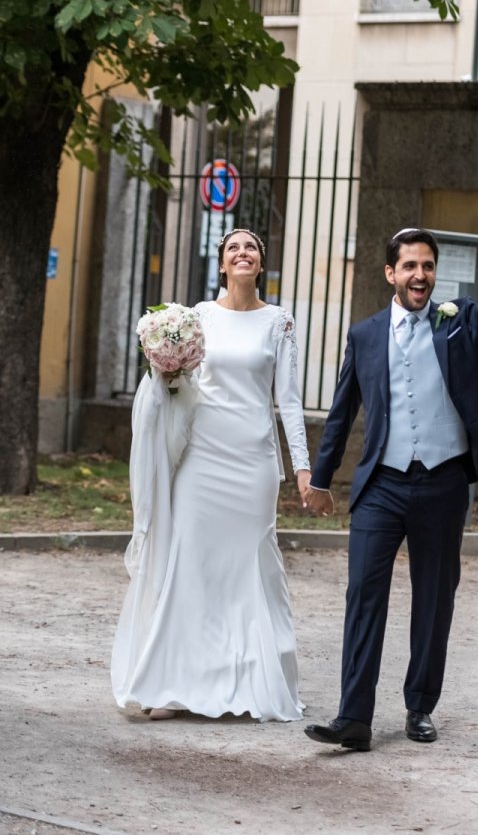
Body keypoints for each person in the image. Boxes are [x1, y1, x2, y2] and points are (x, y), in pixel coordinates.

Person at [303, 192, 478, 750]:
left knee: (434, 598)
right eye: (410, 266)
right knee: (363, 594)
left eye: (428, 266)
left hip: (444, 482)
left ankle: (419, 707)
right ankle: (354, 717)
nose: (420, 275)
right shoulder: (365, 334)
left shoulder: (460, 321)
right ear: (390, 273)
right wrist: (322, 478)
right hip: (382, 485)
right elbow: (343, 408)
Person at [111, 228, 311, 722]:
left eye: (252, 248)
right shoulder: (196, 317)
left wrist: (304, 469)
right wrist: (165, 370)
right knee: (191, 563)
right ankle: (165, 680)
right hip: (203, 458)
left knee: (250, 564)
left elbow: (287, 401)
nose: (243, 253)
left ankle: (251, 677)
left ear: (261, 264)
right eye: (233, 248)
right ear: (222, 264)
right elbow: (180, 384)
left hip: (254, 462)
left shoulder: (279, 323)